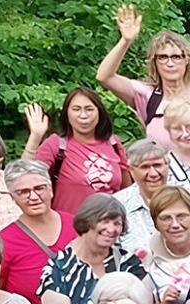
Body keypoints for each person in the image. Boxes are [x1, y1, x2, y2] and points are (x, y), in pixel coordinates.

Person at [95, 5, 190, 151]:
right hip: (160, 172)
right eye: (163, 57)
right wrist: (126, 40)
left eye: (176, 57)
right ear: (154, 63)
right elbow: (105, 77)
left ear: (187, 61)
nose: (170, 63)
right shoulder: (147, 95)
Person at [21, 87, 130, 216]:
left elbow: (127, 192)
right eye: (76, 109)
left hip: (109, 228)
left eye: (89, 109)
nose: (83, 115)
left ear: (99, 113)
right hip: (70, 229)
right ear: (67, 114)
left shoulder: (114, 143)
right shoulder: (57, 144)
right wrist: (35, 137)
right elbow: (23, 176)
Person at [0, 161, 76, 304]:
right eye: (23, 192)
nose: (33, 196)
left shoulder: (76, 225)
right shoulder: (4, 240)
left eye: (39, 188)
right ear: (13, 198)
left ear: (50, 190)